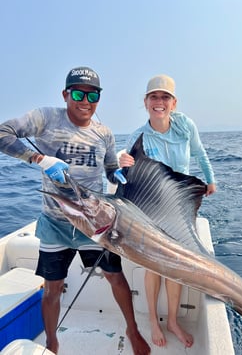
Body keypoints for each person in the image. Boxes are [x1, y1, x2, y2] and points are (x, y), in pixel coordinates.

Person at [0, 66, 151, 355]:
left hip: (94, 225)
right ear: (65, 94)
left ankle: (132, 329)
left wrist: (115, 174)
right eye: (79, 93)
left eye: (93, 94)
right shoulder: (46, 118)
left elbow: (108, 169)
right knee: (52, 287)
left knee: (115, 277)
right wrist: (41, 159)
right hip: (56, 221)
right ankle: (52, 342)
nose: (86, 100)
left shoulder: (103, 132)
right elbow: (2, 132)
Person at [119, 74, 216, 348]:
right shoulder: (137, 137)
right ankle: (153, 320)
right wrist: (118, 165)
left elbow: (200, 153)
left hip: (179, 207)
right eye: (154, 97)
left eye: (165, 97)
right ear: (146, 102)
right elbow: (119, 181)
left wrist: (210, 179)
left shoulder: (185, 125)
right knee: (154, 267)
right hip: (150, 210)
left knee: (175, 267)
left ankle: (173, 320)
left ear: (174, 103)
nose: (159, 102)